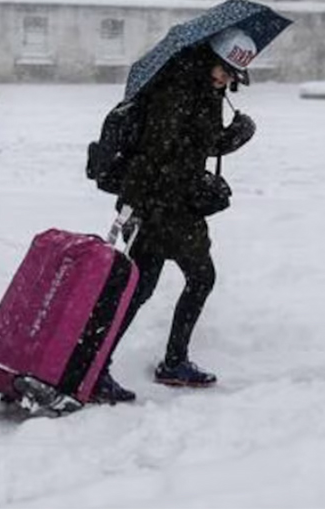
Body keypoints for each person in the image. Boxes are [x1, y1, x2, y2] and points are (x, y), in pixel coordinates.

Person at [93, 28, 258, 403]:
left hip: (163, 204)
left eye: (233, 76)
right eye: (226, 71)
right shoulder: (179, 90)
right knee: (198, 278)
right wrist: (230, 140)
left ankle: (98, 364)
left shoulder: (199, 88)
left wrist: (232, 135)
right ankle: (168, 361)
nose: (228, 80)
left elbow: (195, 142)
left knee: (140, 287)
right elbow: (165, 151)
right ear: (210, 59)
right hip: (166, 206)